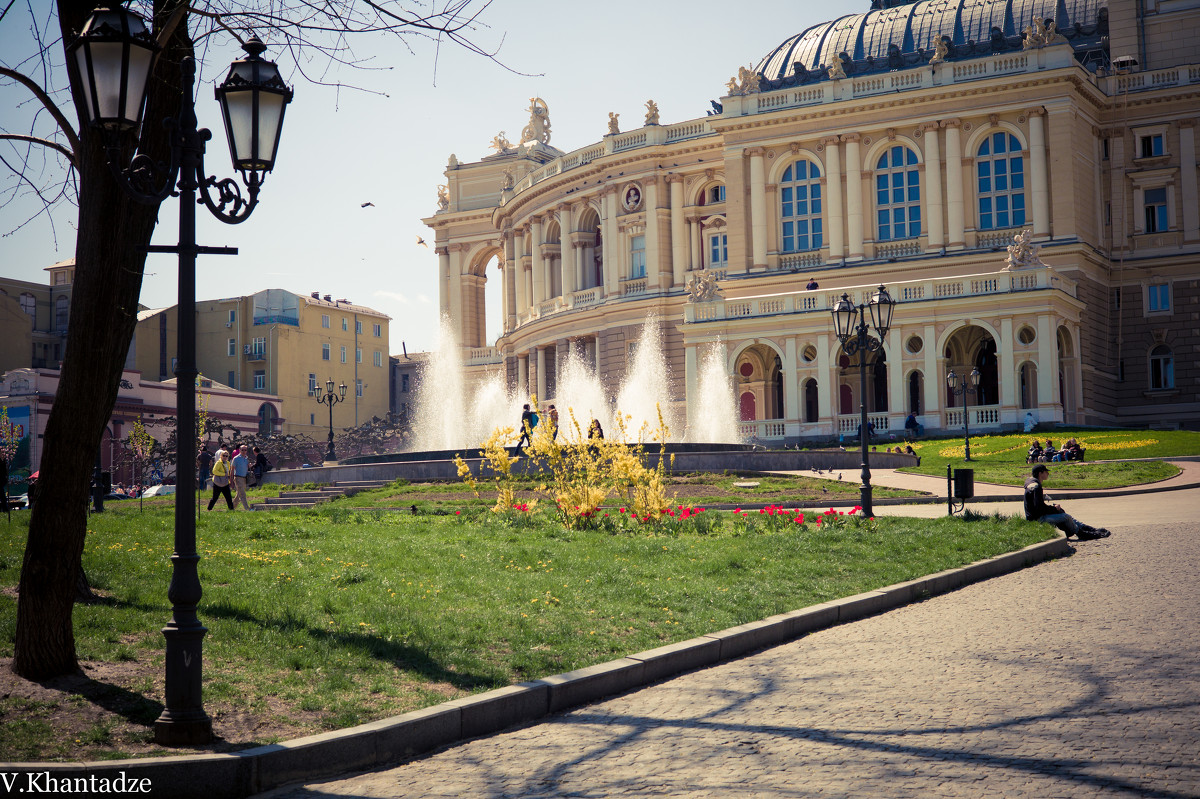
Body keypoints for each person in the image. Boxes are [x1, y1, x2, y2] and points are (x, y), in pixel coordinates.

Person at [1024, 465, 1110, 540]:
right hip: (1037, 519)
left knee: (1068, 517)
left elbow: (1038, 506)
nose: (1048, 474)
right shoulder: (1036, 487)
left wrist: (1054, 508)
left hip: (1036, 516)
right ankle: (1082, 533)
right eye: (1046, 472)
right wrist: (1054, 509)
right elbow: (1039, 508)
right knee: (1066, 517)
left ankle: (1089, 529)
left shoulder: (1032, 484)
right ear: (1040, 473)